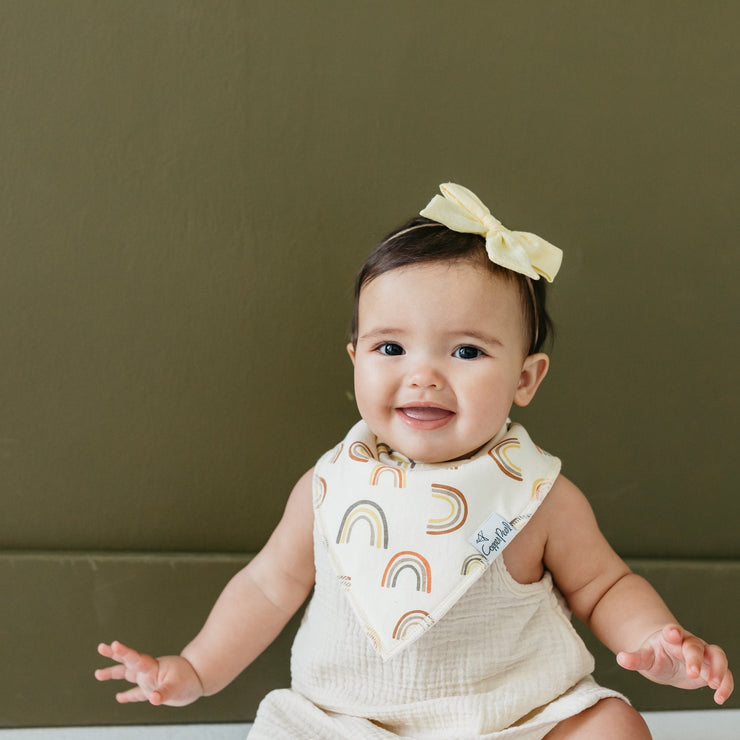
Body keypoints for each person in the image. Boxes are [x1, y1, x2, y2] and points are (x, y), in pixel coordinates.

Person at [96, 183, 733, 738]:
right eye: (392, 347)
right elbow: (267, 586)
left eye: (466, 353)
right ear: (355, 359)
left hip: (518, 718)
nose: (423, 375)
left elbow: (605, 588)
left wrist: (655, 640)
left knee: (613, 726)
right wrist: (196, 669)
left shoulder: (539, 495)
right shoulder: (329, 485)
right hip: (348, 723)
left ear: (526, 378)